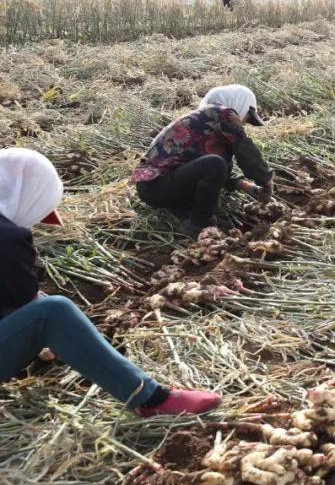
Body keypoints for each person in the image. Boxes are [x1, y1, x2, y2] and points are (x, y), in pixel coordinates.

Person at [1, 149, 221, 416]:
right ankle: (152, 400)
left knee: (37, 303)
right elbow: (28, 304)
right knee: (54, 312)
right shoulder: (7, 239)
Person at [133, 85, 274, 238]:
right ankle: (199, 224)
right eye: (247, 116)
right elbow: (245, 150)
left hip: (155, 186)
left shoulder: (206, 120)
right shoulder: (223, 113)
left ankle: (183, 211)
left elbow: (216, 171)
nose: (244, 123)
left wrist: (246, 186)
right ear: (240, 104)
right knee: (215, 164)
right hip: (157, 184)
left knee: (216, 164)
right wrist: (266, 180)